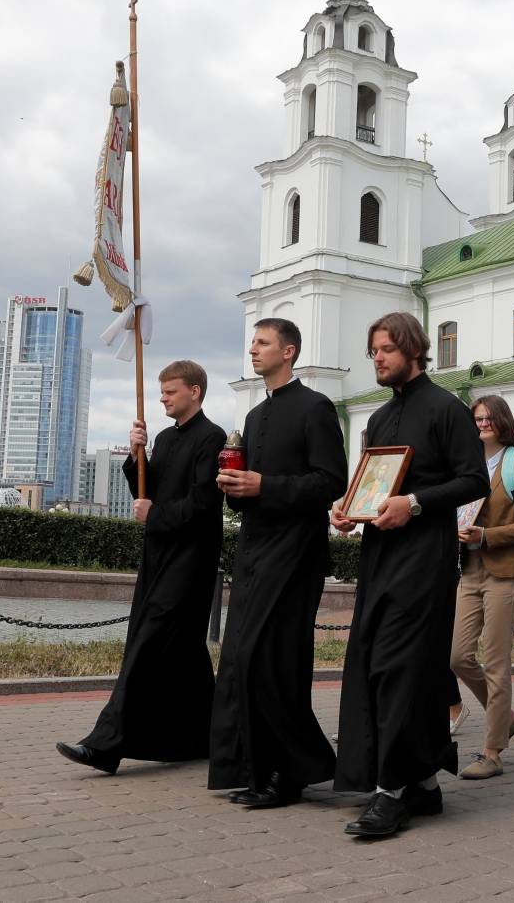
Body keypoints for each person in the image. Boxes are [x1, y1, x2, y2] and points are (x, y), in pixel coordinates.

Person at [329, 312, 489, 838]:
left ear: (413, 350)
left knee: (399, 669)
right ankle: (423, 784)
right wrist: (348, 509)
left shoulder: (447, 408)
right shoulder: (378, 420)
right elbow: (371, 486)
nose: (377, 358)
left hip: (424, 561)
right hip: (379, 558)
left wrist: (415, 504)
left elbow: (472, 480)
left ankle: (390, 791)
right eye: (372, 350)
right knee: (383, 665)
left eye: (386, 350)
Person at [56, 361, 226, 775]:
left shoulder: (212, 437)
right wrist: (137, 455)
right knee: (185, 650)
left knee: (147, 645)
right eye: (161, 392)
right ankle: (211, 736)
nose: (163, 398)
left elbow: (205, 505)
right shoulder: (166, 439)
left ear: (195, 392)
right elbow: (146, 490)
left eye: (170, 391)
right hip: (158, 555)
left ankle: (105, 745)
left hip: (191, 560)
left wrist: (156, 514)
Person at [206, 320, 347, 808]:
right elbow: (252, 488)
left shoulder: (316, 407)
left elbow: (330, 481)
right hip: (253, 549)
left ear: (288, 351)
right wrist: (237, 489)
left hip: (296, 553)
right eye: (252, 342)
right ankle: (256, 765)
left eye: (262, 343)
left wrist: (265, 485)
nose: (253, 349)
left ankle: (291, 773)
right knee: (242, 659)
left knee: (276, 661)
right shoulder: (256, 413)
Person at [450, 395, 514, 780]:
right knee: (457, 656)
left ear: (503, 421)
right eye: (477, 418)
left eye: (489, 418)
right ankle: (505, 717)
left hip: (506, 570)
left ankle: (492, 751)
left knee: (495, 660)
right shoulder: (466, 464)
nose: (482, 424)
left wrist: (488, 534)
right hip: (469, 568)